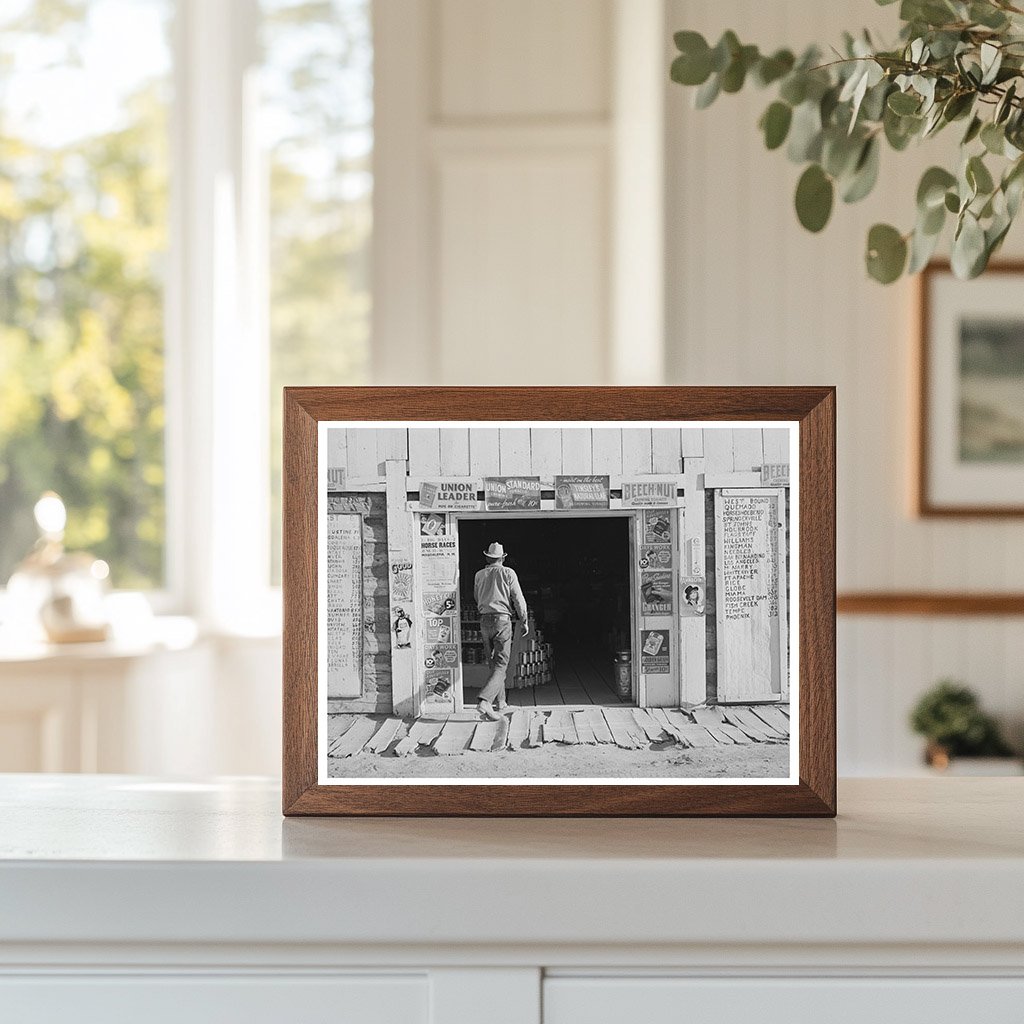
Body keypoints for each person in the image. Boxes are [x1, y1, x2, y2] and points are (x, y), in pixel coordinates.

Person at [473, 541, 528, 720]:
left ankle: (501, 702)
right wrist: (524, 620)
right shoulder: (508, 573)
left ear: (488, 557)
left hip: (484, 620)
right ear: (502, 558)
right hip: (502, 620)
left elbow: (476, 596)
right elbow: (518, 598)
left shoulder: (479, 575)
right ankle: (485, 701)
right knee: (502, 664)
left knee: (494, 664)